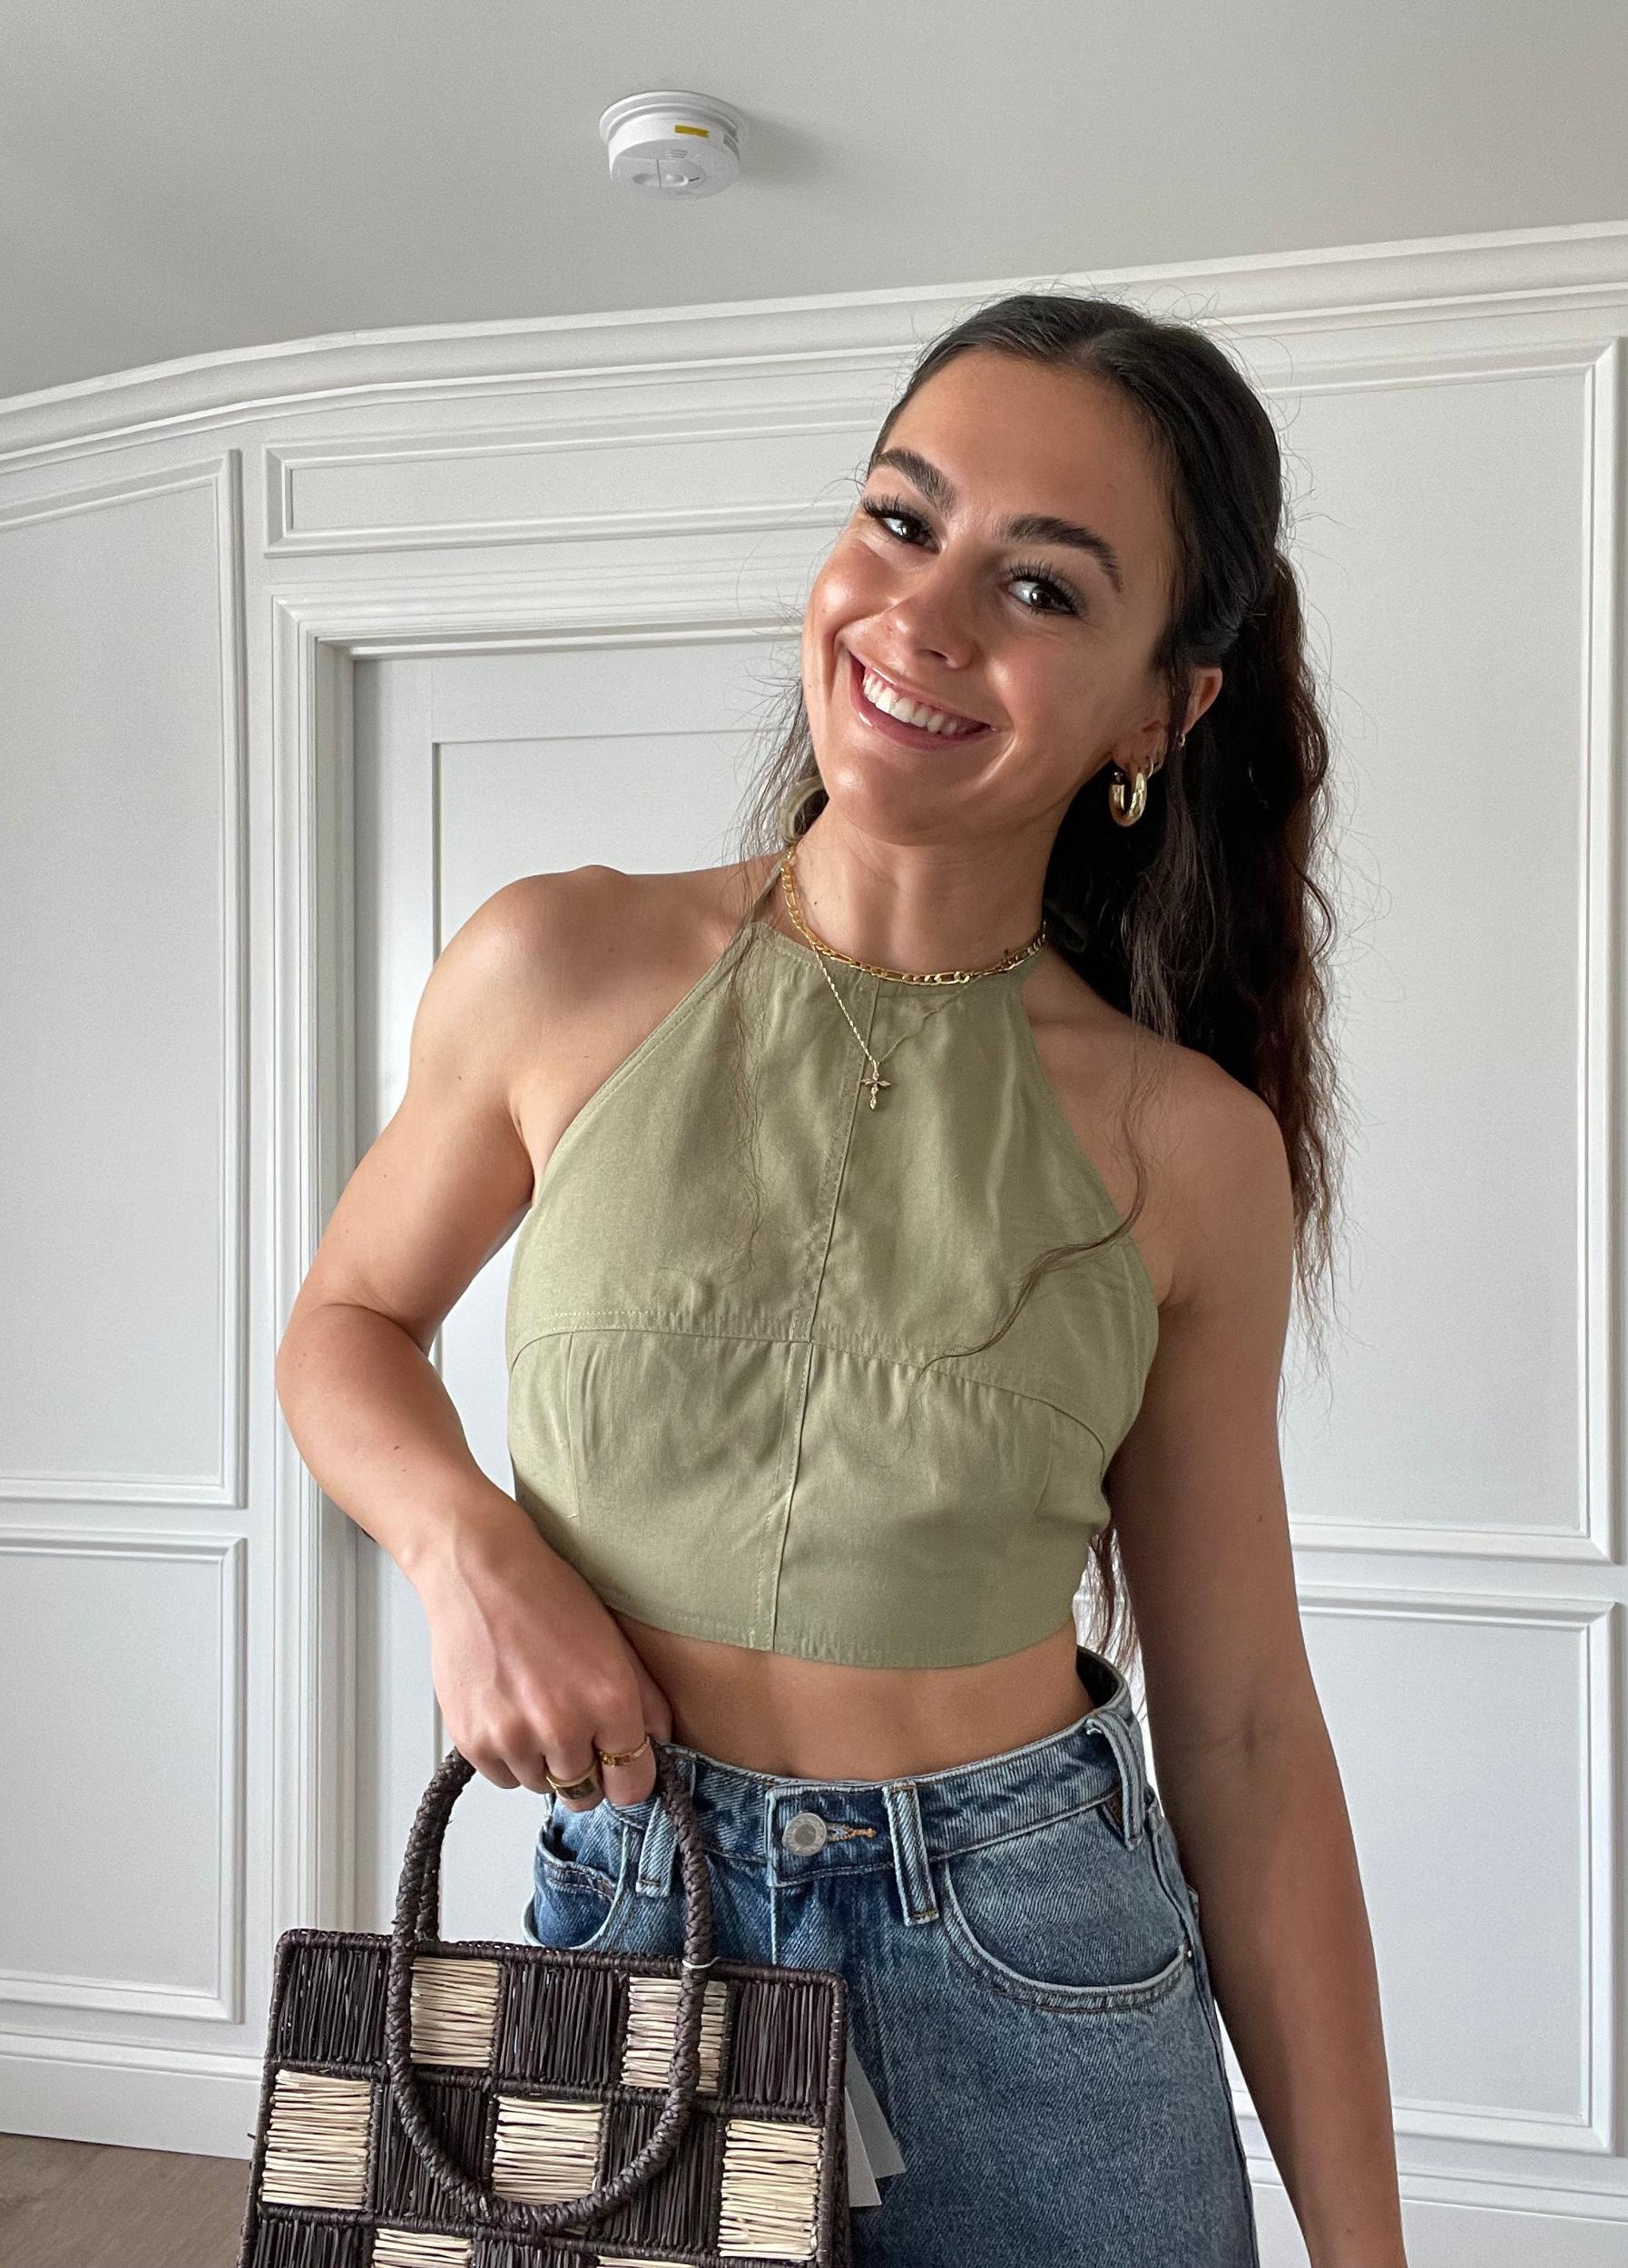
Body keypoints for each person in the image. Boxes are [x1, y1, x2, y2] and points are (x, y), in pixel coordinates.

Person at [276, 288, 1407, 2267]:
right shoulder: (554, 965)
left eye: (1041, 587)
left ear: (1159, 712)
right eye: (901, 519)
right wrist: (469, 1553)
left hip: (1038, 1968)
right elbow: (344, 1326)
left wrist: (1367, 2247)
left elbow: (1239, 1728)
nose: (923, 615)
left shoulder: (1186, 1145)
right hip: (640, 1920)